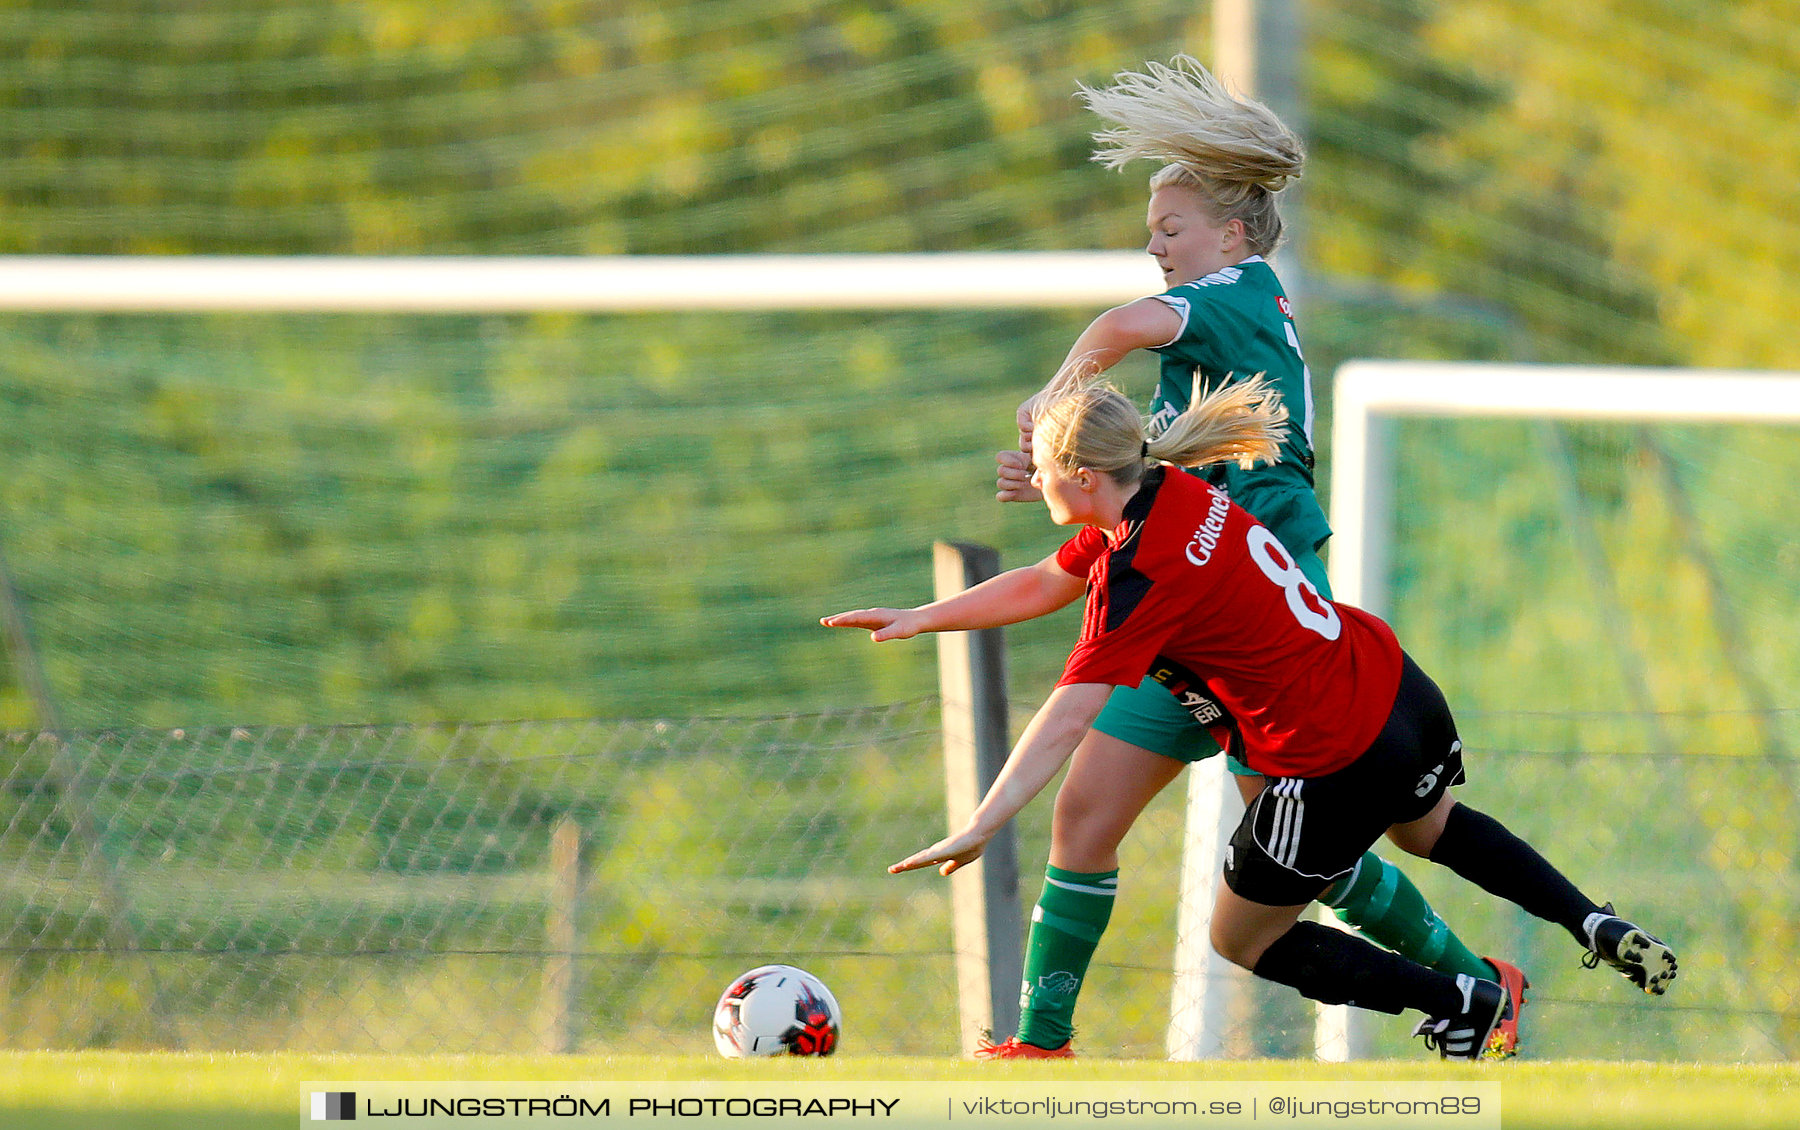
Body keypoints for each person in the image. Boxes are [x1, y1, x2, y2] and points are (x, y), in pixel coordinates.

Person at [823, 374, 1676, 1061]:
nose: (1029, 480)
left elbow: (1065, 718)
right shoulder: (1168, 490)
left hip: (1330, 757)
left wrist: (980, 824)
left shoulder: (1139, 573)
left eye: (1038, 468)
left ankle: (1462, 1000)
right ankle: (1586, 920)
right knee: (1430, 831)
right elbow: (1049, 578)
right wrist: (922, 615)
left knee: (1242, 937)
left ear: (1081, 478)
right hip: (1392, 687)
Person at [984, 56, 1527, 1058]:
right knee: (1087, 814)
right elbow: (1140, 478)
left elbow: (1116, 328)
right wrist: (1062, 472)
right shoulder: (1215, 347)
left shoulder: (1237, 290)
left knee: (1298, 852)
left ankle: (1473, 986)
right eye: (1152, 229)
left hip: (1261, 612)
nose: (1155, 244)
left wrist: (1056, 384)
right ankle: (1039, 1042)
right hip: (1190, 623)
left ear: (1230, 233)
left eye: (1170, 227)